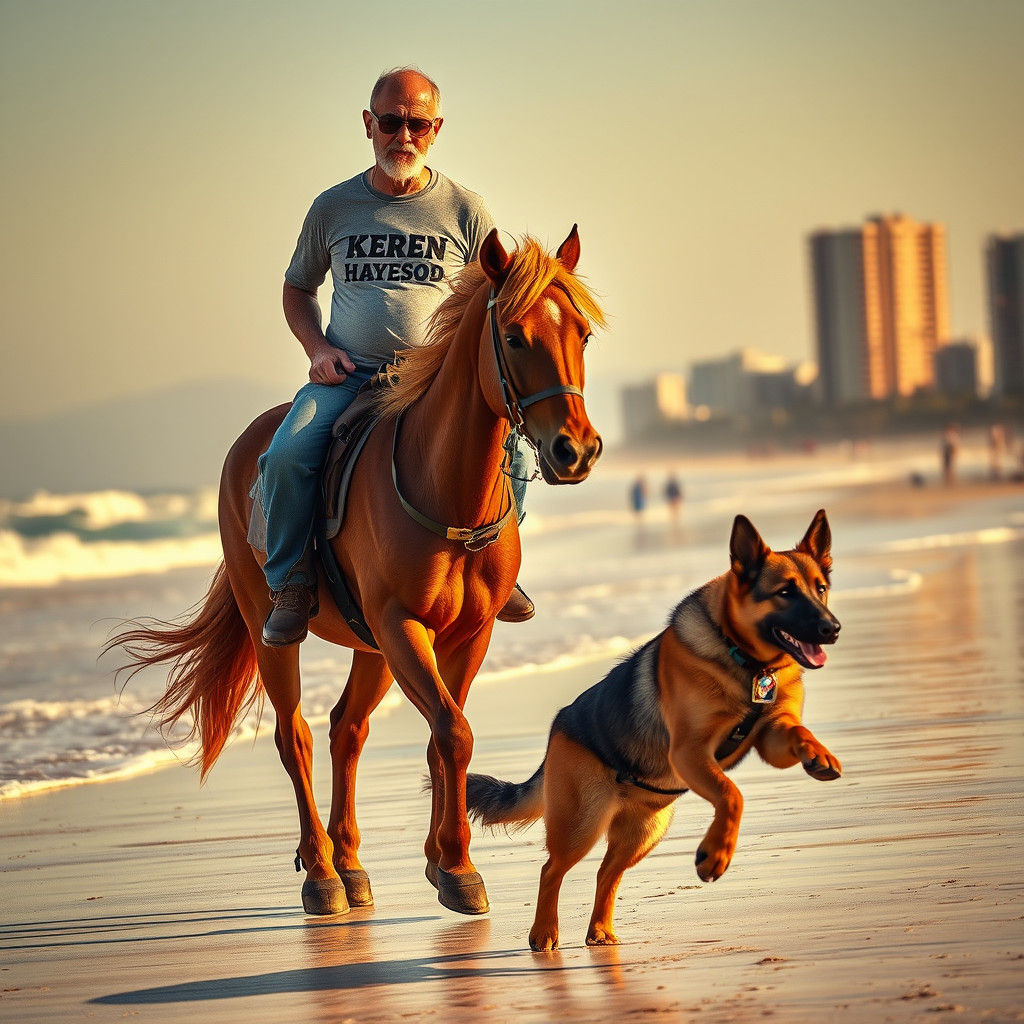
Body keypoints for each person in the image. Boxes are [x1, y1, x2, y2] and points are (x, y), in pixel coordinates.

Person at [259, 67, 534, 647]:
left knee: (518, 454)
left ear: (435, 130)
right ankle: (288, 584)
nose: (402, 137)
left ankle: (498, 572)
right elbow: (297, 289)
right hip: (349, 374)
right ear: (368, 125)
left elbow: (496, 294)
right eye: (390, 123)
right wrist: (318, 349)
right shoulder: (332, 207)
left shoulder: (466, 208)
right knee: (286, 453)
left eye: (416, 124)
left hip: (432, 381)